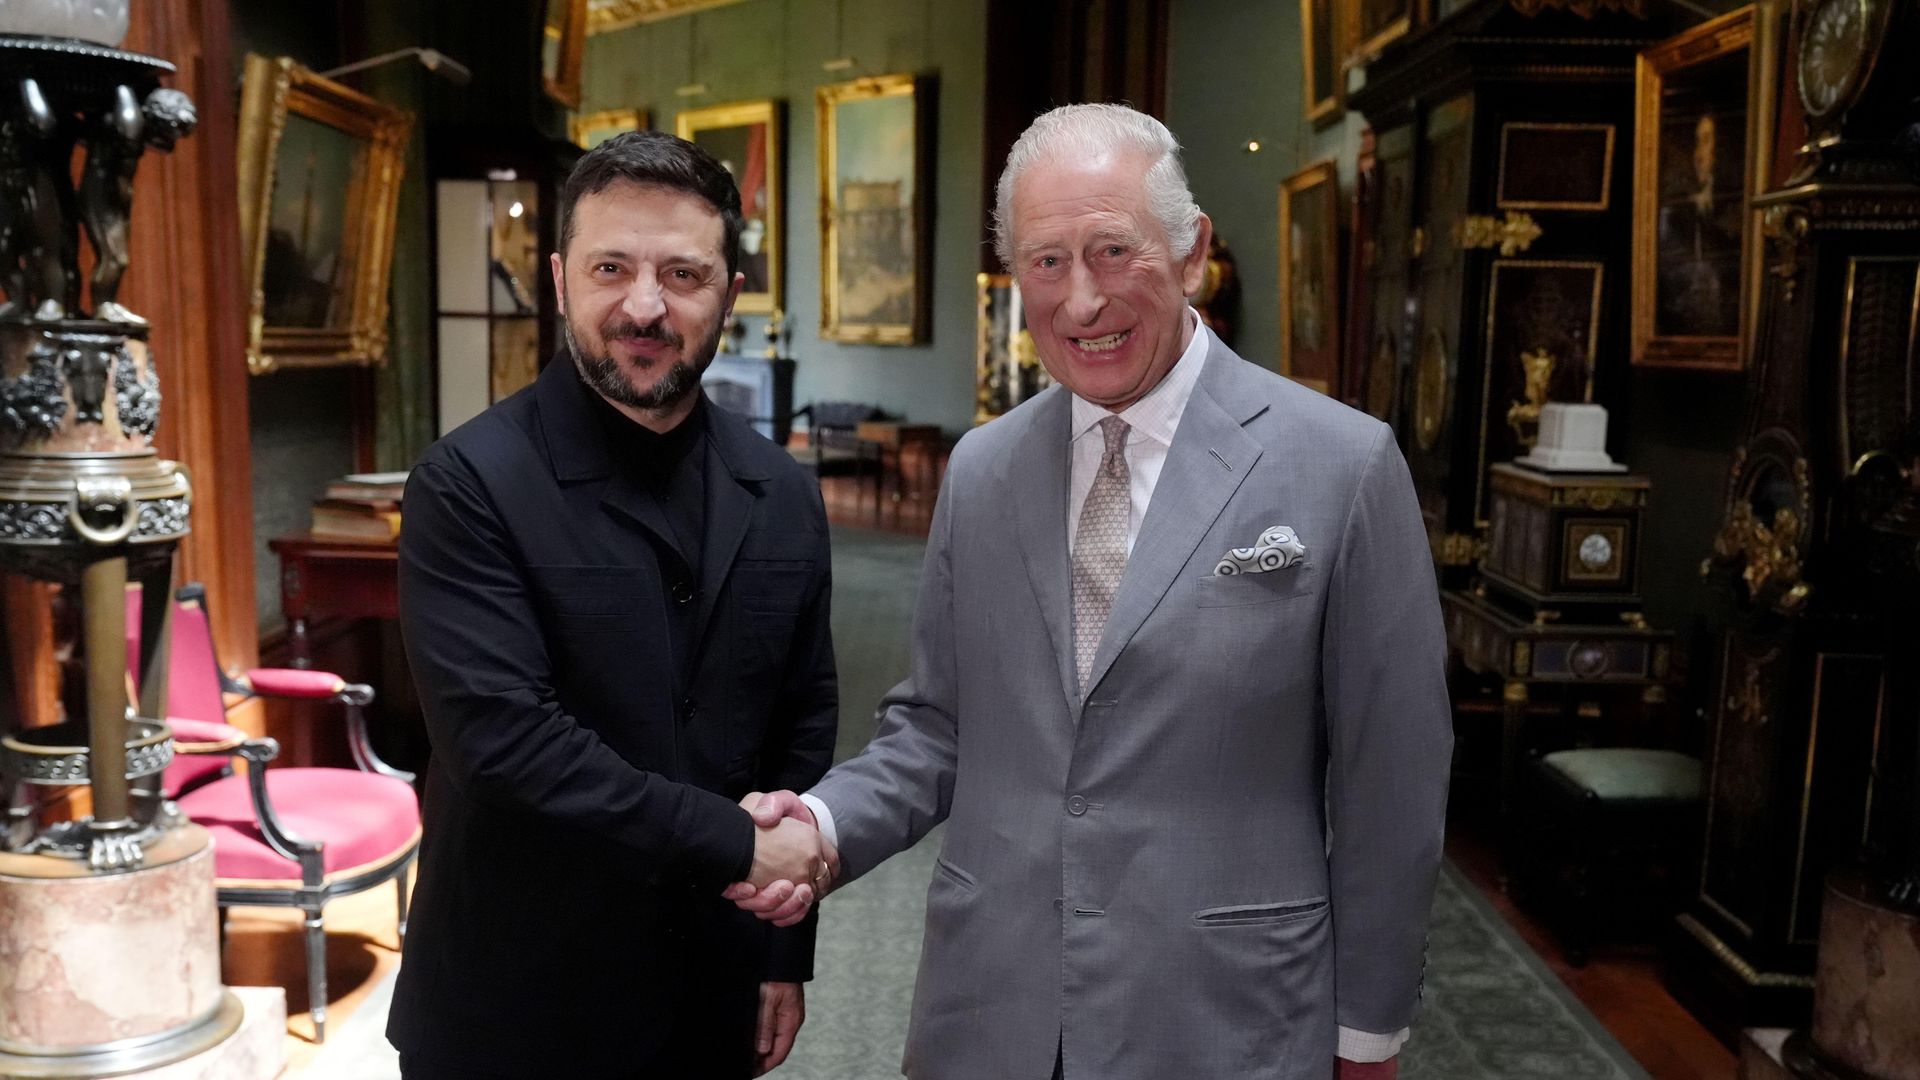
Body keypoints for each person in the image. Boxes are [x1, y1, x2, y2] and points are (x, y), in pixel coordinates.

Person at [729, 104, 1452, 1080]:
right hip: (994, 1008)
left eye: (1113, 252)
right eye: (1046, 262)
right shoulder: (982, 471)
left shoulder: (1340, 466)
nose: (1080, 302)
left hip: (1224, 1014)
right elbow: (937, 728)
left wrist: (1368, 1033)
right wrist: (819, 825)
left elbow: (1391, 782)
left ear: (1191, 251)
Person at [389, 130, 838, 1079]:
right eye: (611, 267)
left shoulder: (784, 492)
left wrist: (781, 950)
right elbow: (503, 742)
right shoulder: (467, 483)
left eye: (682, 272)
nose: (645, 305)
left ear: (730, 289)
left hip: (711, 992)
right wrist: (734, 844)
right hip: (513, 1003)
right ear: (559, 281)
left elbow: (802, 721)